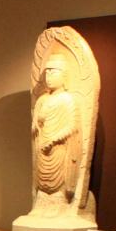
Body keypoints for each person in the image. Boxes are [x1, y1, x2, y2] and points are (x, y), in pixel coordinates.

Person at [32, 53, 82, 204]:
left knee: (58, 178)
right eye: (47, 73)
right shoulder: (42, 99)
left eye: (53, 73)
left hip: (59, 148)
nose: (49, 77)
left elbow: (73, 126)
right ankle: (43, 199)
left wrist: (53, 140)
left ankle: (60, 200)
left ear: (64, 76)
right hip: (42, 145)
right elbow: (36, 122)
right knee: (42, 176)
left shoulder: (68, 100)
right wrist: (35, 125)